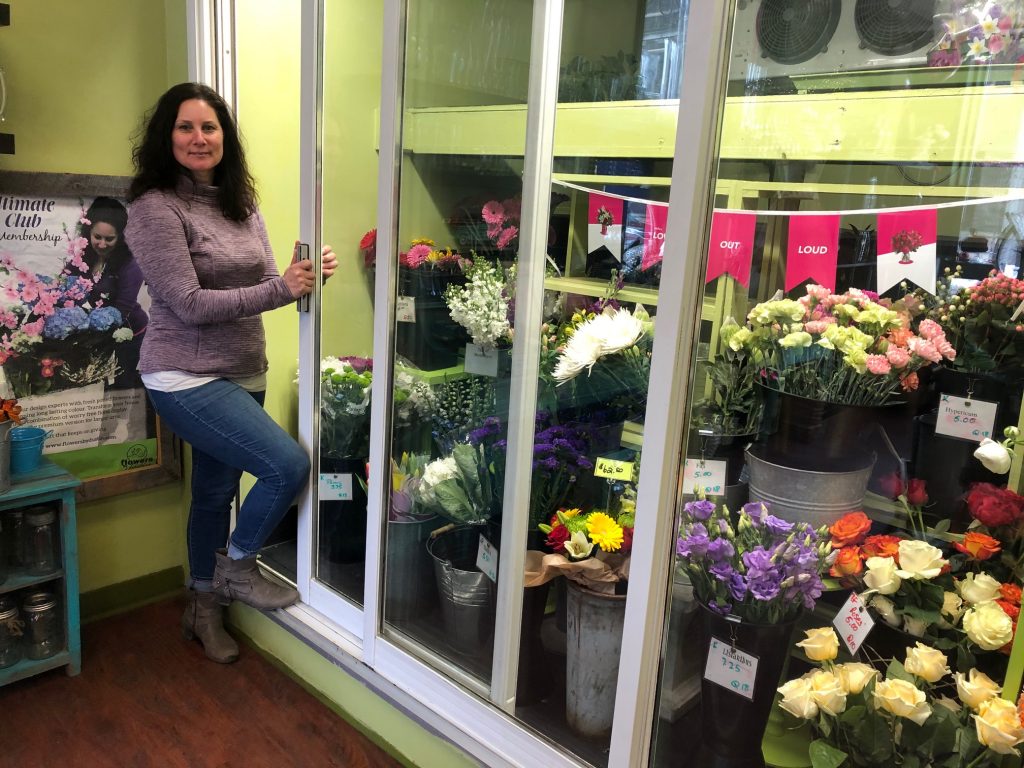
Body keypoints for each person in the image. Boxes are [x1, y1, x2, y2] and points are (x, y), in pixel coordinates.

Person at [125, 82, 337, 664]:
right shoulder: (154, 209)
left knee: (215, 493)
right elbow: (189, 304)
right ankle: (237, 570)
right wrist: (281, 289)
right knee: (286, 465)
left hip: (244, 367)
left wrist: (301, 277)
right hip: (183, 375)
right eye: (185, 127)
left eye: (209, 127)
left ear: (224, 137)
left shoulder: (240, 202)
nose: (199, 138)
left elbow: (268, 280)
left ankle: (202, 609)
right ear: (166, 136)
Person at [71, 196, 149, 387]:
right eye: (97, 237)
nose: (102, 244)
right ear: (88, 232)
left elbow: (122, 310)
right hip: (94, 335)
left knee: (122, 386)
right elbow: (68, 290)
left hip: (128, 333)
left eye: (109, 239)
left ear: (121, 237)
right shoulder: (81, 257)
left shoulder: (130, 264)